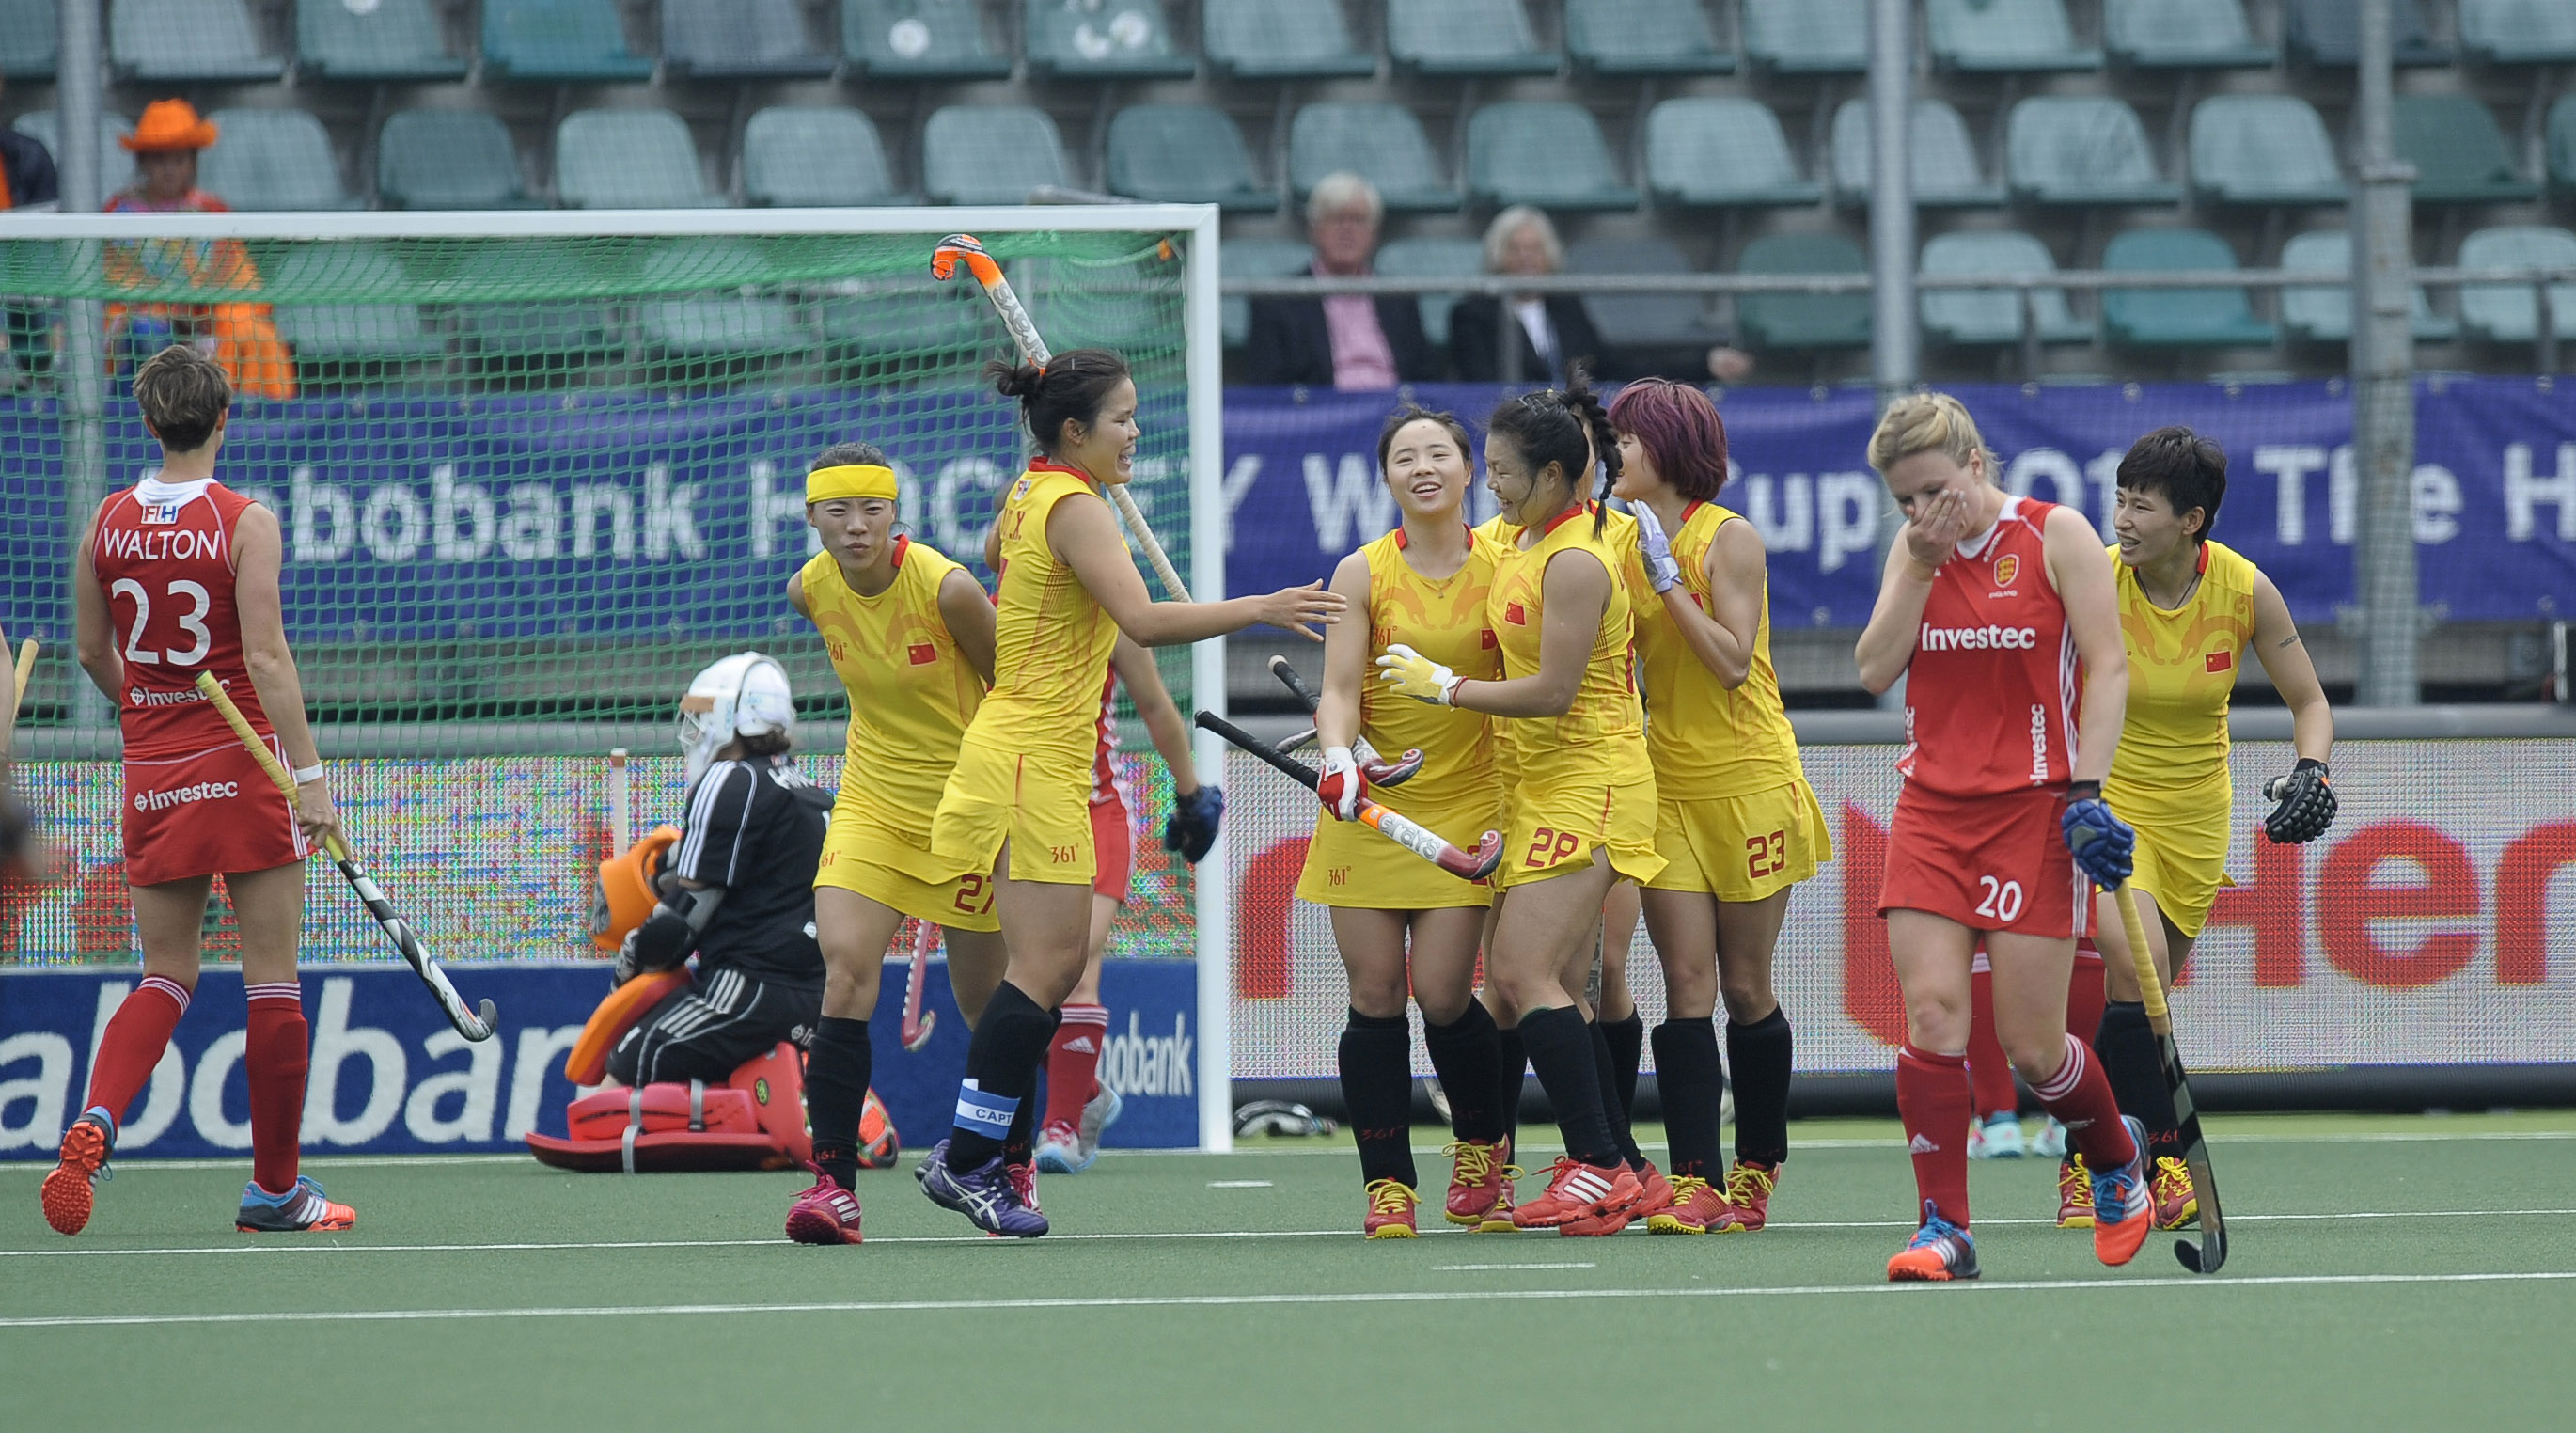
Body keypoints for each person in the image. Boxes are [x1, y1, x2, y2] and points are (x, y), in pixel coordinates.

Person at [917, 349, 1343, 1236]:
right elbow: (1145, 623)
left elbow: (996, 548)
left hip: (1029, 754)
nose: (1136, 432)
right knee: (1042, 971)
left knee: (1050, 970)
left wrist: (1061, 465)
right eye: (1122, 418)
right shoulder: (1074, 506)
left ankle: (983, 1156)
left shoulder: (1036, 490)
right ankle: (970, 1159)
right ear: (1076, 430)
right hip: (1032, 757)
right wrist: (1260, 605)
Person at [47, 343, 345, 1236]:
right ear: (224, 419)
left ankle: (98, 1116)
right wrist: (310, 778)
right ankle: (275, 1192)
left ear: (148, 422)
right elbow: (265, 658)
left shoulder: (105, 521)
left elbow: (91, 652)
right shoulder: (245, 521)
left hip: (155, 770)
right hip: (246, 764)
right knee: (272, 980)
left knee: (166, 973)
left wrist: (151, 712)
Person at [1853, 391, 2149, 1282]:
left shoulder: (2055, 535)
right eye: (1904, 500)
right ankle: (1944, 1228)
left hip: (2033, 811)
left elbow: (2109, 666)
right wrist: (1918, 561)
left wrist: (2088, 789)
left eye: (1932, 490)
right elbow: (1873, 668)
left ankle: (2116, 1159)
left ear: (1975, 464)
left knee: (2033, 1046)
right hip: (1931, 811)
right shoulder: (1915, 551)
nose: (1920, 510)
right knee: (1934, 1013)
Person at [1375, 370, 1664, 1233]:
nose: (1490, 484)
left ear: (1553, 476)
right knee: (1549, 984)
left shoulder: (1573, 560)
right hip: (1537, 785)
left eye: (1501, 471)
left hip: (1591, 780)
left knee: (1520, 973)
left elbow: (1554, 693)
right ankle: (1621, 1167)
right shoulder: (1527, 544)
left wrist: (1445, 688)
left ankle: (1600, 1167)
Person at [2083, 425, 2336, 1230]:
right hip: (2109, 804)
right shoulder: (2092, 581)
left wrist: (2312, 768)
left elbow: (2310, 702)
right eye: (2119, 500)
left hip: (2196, 818)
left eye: (2141, 506)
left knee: (2142, 1003)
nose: (2122, 520)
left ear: (2191, 520)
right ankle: (2162, 1165)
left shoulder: (2244, 589)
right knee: (2139, 975)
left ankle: (2086, 1156)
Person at [777, 442, 1007, 1245]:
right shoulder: (810, 589)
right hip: (872, 805)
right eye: (837, 511)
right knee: (843, 973)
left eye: (872, 509)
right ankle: (833, 1190)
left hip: (967, 808)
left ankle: (1005, 1166)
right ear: (812, 518)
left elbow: (1013, 691)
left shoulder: (948, 589)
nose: (856, 526)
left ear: (895, 514)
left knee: (988, 1009)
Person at [1612, 377, 1828, 1235]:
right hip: (1665, 783)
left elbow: (1733, 662)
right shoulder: (1616, 539)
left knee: (1745, 985)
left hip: (1748, 781)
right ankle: (1695, 1178)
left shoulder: (1727, 537)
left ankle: (1758, 1164)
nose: (1612, 455)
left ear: (1667, 446)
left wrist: (1667, 579)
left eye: (1626, 439)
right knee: (1686, 984)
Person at [1299, 403, 1510, 1237]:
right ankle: (1388, 1186)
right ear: (1386, 477)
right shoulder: (1361, 571)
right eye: (1405, 458)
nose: (1423, 468)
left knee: (1444, 994)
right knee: (1377, 992)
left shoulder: (1507, 563)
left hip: (1471, 802)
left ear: (1470, 469)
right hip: (1371, 805)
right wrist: (1339, 756)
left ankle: (1483, 1147)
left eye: (1439, 454)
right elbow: (1338, 690)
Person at [1032, 636, 1224, 1173]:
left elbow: (1157, 704)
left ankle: (1061, 1126)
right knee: (1003, 990)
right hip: (1014, 812)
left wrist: (1190, 794)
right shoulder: (990, 609)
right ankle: (1087, 1093)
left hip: (1095, 812)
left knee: (1075, 965)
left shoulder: (1111, 615)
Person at [600, 654, 831, 1099]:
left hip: (745, 991)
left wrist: (635, 954)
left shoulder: (729, 778)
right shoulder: (813, 794)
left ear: (733, 717)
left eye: (703, 716)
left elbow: (683, 919)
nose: (694, 730)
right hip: (816, 1002)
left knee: (616, 1072)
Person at [101, 101, 295, 401]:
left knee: (249, 328)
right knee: (147, 329)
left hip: (204, 321)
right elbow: (114, 281)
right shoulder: (120, 212)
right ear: (143, 162)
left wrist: (200, 313)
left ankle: (243, 410)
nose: (169, 170)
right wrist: (165, 305)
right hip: (139, 322)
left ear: (193, 162)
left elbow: (237, 279)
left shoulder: (211, 211)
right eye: (159, 160)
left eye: (179, 159)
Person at [1449, 208, 1753, 386]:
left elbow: (1609, 367)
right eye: (1515, 249)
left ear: (1549, 256)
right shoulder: (1472, 316)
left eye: (1535, 249)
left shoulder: (1565, 307)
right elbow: (1481, 387)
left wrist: (1703, 364)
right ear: (1498, 256)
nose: (1526, 258)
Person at [1245, 173, 1439, 388]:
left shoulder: (1399, 297)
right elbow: (1269, 390)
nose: (1348, 230)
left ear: (1374, 232)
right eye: (1336, 219)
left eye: (1358, 220)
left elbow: (1426, 377)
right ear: (1314, 229)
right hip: (1321, 408)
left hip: (1395, 406)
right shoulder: (1278, 301)